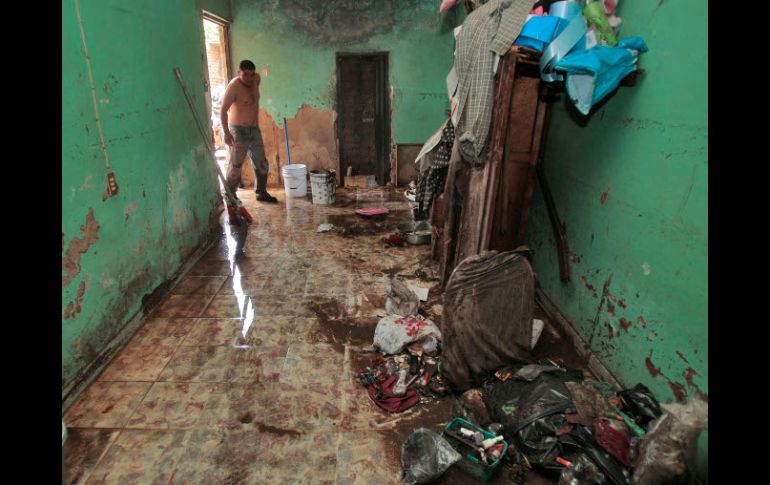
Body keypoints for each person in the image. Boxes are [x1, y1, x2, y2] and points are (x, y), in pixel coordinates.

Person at [221, 60, 278, 203]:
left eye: (251, 74)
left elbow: (254, 87)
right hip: (238, 130)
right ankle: (229, 194)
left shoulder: (256, 79)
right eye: (245, 74)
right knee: (236, 165)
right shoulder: (233, 87)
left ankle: (261, 192)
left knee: (262, 163)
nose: (249, 78)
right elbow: (223, 110)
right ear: (238, 73)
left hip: (254, 129)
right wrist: (227, 133)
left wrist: (254, 79)